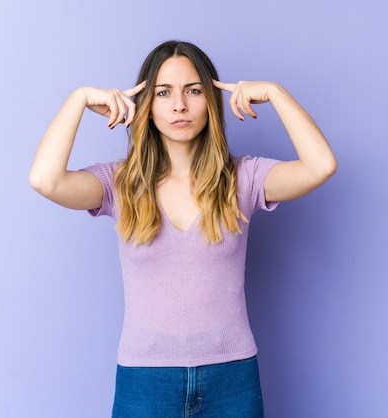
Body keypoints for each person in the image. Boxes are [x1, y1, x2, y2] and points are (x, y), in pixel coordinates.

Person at [29, 40, 337, 417]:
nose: (179, 105)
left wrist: (276, 93)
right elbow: (46, 180)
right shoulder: (120, 183)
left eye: (193, 90)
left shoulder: (243, 178)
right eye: (163, 92)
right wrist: (77, 99)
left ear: (210, 99)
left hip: (233, 379)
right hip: (144, 381)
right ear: (146, 105)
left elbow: (320, 166)